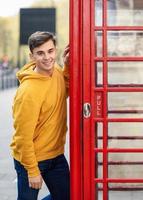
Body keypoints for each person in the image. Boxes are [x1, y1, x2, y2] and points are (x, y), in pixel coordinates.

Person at [10, 31, 70, 200]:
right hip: (31, 159)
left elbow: (63, 91)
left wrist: (68, 66)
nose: (47, 57)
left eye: (50, 51)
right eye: (40, 53)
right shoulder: (28, 92)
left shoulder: (56, 71)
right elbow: (22, 138)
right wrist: (33, 171)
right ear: (32, 56)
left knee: (69, 196)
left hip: (56, 155)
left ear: (55, 50)